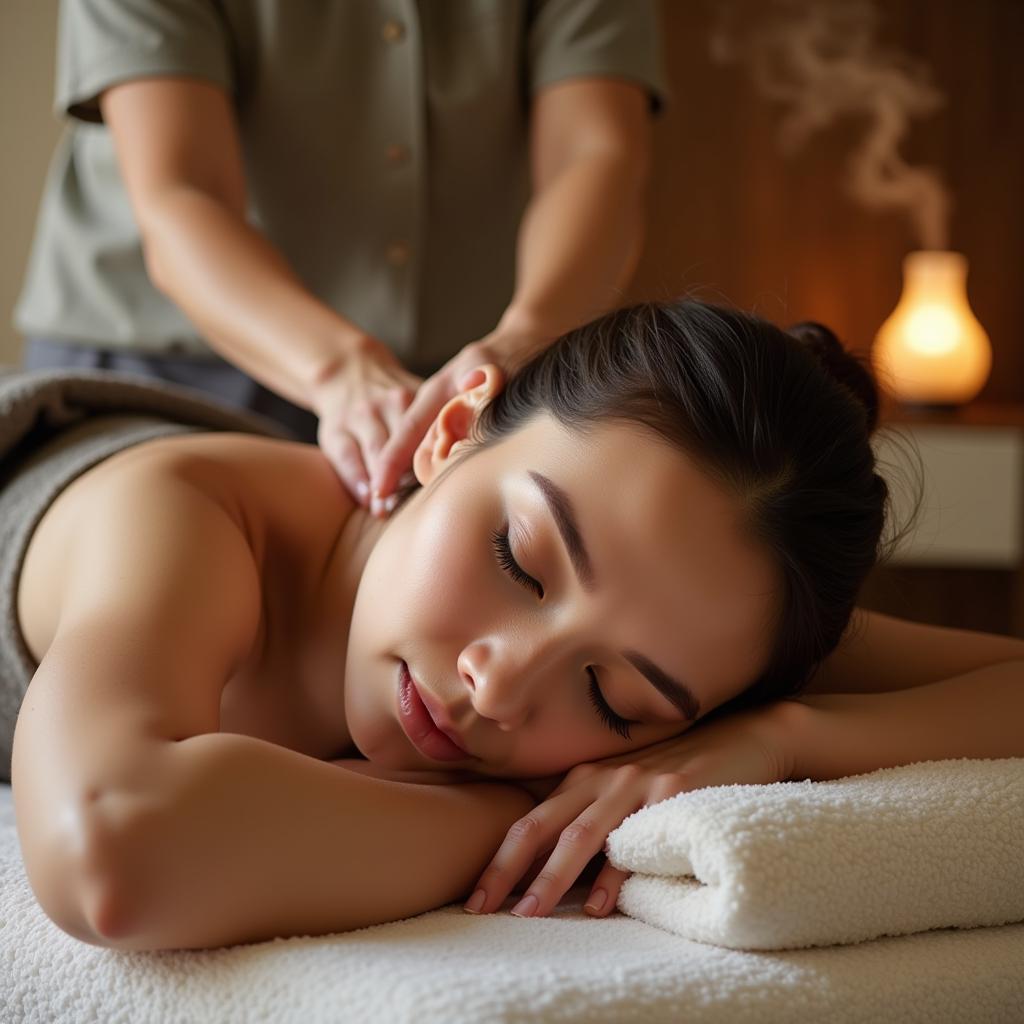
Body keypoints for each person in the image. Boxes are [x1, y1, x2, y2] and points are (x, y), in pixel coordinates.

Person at [8, 299, 1024, 952]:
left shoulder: (718, 624)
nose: (497, 683)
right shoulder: (183, 520)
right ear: (449, 435)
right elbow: (113, 852)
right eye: (516, 558)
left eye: (611, 697)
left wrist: (779, 739)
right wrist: (531, 809)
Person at [15, 0, 667, 515]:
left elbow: (596, 156)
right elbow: (183, 194)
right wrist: (342, 374)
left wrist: (530, 336)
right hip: (154, 360)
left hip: (452, 374)